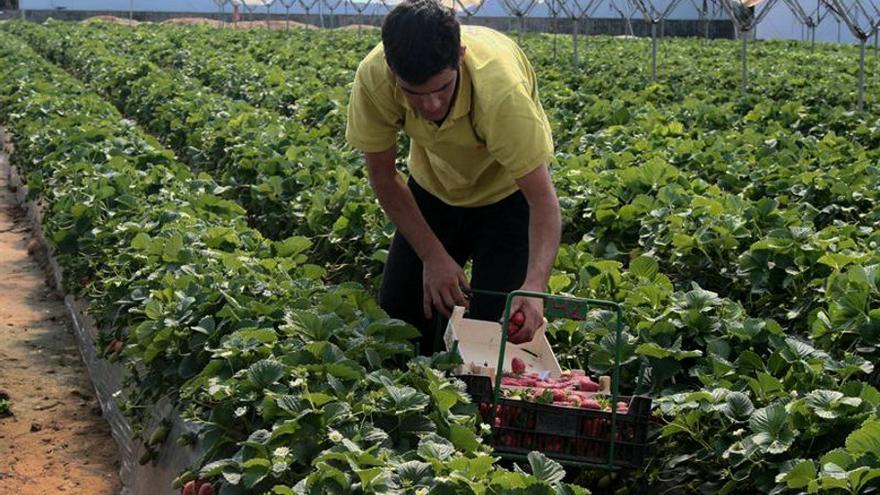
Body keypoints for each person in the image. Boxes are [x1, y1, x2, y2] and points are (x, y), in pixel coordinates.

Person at [345, 0, 561, 355]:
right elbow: (383, 177)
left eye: (442, 89)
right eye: (415, 94)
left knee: (498, 335)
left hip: (507, 196)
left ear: (460, 56)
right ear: (391, 69)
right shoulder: (374, 79)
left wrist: (534, 287)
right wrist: (433, 256)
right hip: (433, 190)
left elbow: (542, 200)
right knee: (401, 322)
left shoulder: (502, 93)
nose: (430, 105)